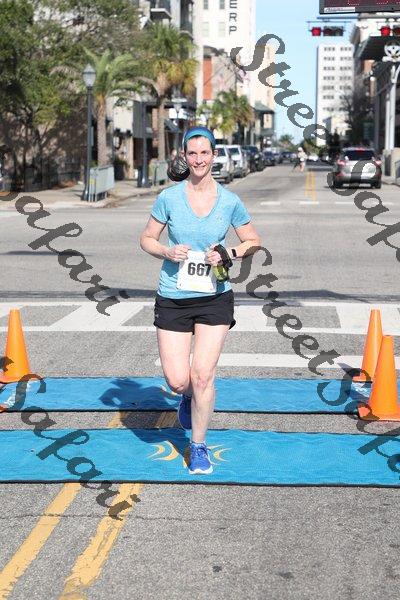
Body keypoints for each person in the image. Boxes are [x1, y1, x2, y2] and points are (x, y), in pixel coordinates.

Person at [139, 126, 261, 475]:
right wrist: (166, 251)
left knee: (203, 375)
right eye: (192, 153)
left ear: (214, 155)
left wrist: (228, 252)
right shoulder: (169, 198)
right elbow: (146, 238)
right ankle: (188, 396)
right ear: (184, 156)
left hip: (214, 297)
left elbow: (253, 240)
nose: (198, 159)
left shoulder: (229, 201)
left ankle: (198, 445)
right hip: (173, 296)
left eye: (204, 153)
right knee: (179, 380)